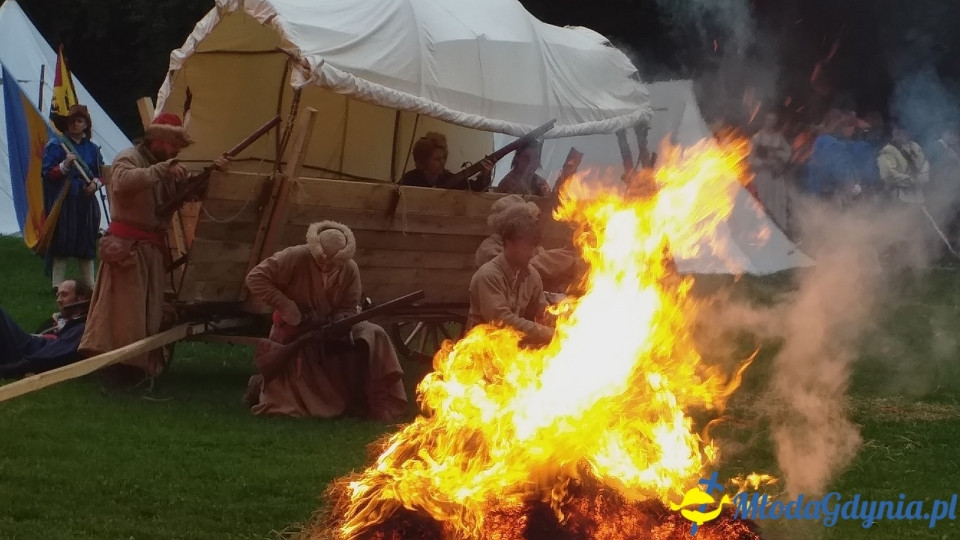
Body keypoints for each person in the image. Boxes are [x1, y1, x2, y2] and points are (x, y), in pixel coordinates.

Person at [78, 113, 231, 388]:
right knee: (124, 316)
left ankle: (136, 367)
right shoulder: (129, 158)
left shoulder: (164, 165)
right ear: (159, 140)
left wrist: (212, 174)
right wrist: (164, 169)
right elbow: (123, 182)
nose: (175, 152)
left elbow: (183, 192)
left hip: (149, 251)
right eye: (173, 146)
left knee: (147, 315)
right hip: (127, 251)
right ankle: (116, 370)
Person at [243, 221, 407, 421]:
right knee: (292, 406)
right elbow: (255, 278)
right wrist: (287, 307)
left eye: (332, 263)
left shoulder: (350, 269)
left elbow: (348, 306)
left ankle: (379, 404)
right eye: (322, 261)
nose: (325, 266)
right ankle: (260, 384)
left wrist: (339, 322)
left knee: (375, 333)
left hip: (330, 325)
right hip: (296, 329)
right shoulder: (295, 256)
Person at [468, 204, 554, 344]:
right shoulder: (488, 276)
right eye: (526, 248)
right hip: (484, 351)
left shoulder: (532, 276)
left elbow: (542, 311)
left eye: (534, 248)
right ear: (508, 243)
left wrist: (564, 323)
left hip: (513, 350)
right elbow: (501, 320)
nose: (532, 254)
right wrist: (546, 332)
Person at [41, 104, 104, 290]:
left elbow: (102, 173)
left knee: (86, 242)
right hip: (65, 200)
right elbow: (47, 173)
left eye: (79, 121)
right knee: (62, 241)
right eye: (72, 121)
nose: (75, 124)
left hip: (85, 200)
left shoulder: (93, 149)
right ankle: (57, 285)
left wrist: (95, 185)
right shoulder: (56, 145)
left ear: (86, 124)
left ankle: (90, 285)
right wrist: (65, 165)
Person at [474, 194, 579, 294]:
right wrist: (567, 256)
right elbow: (521, 269)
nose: (532, 223)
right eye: (526, 219)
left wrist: (571, 253)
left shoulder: (523, 244)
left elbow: (542, 255)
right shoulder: (489, 249)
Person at [0, 280, 91, 379]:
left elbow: (53, 353)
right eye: (58, 295)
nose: (59, 300)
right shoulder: (53, 321)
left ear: (81, 299)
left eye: (64, 295)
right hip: (31, 345)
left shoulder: (83, 327)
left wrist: (9, 370)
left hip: (29, 352)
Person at [399, 132, 493, 191]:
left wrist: (485, 174)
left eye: (443, 158)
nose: (442, 162)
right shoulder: (410, 179)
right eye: (437, 159)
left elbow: (477, 188)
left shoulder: (450, 179)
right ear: (424, 161)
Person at [749, 112, 793, 229]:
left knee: (778, 204)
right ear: (764, 120)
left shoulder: (778, 138)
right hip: (763, 177)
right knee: (763, 204)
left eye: (773, 120)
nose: (770, 123)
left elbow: (787, 153)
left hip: (776, 177)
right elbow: (751, 159)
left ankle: (779, 229)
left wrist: (777, 157)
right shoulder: (757, 138)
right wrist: (764, 163)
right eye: (769, 120)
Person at [878, 123, 930, 205]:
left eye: (904, 132)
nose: (903, 135)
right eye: (899, 133)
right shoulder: (888, 150)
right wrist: (911, 180)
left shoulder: (915, 146)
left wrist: (922, 177)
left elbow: (924, 164)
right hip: (900, 197)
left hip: (919, 195)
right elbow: (888, 174)